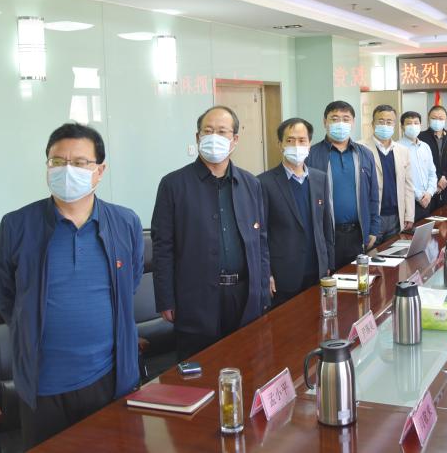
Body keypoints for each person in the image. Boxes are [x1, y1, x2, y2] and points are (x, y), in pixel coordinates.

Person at [0, 123, 144, 448]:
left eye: (80, 162)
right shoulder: (17, 226)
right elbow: (3, 292)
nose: (67, 170)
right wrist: (27, 324)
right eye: (57, 162)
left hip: (109, 378)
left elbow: (128, 285)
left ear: (100, 171)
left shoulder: (125, 223)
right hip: (43, 386)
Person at [152, 106, 270, 360]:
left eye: (222, 131)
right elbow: (163, 246)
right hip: (196, 298)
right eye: (208, 131)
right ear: (197, 137)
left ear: (234, 139)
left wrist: (262, 291)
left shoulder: (251, 184)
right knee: (200, 368)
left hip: (243, 296)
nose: (214, 137)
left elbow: (260, 243)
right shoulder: (173, 184)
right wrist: (165, 299)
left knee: (246, 364)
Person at [258, 118, 334, 306]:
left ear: (309, 144)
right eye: (290, 140)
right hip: (283, 275)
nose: (297, 146)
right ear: (280, 144)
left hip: (317, 270)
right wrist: (266, 273)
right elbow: (260, 235)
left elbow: (326, 225)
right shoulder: (263, 182)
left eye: (302, 140)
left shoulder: (320, 178)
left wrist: (328, 263)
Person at [307, 100, 381, 269]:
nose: (340, 123)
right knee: (329, 280)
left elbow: (374, 195)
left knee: (359, 278)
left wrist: (374, 228)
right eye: (334, 119)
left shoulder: (365, 154)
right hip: (327, 235)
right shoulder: (311, 155)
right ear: (325, 122)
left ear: (353, 122)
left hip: (358, 233)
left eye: (346, 119)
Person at [361, 104, 415, 241]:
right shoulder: (360, 148)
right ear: (373, 124)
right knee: (371, 253)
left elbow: (408, 185)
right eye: (381, 121)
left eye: (389, 122)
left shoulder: (403, 151)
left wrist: (409, 215)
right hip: (372, 216)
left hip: (396, 217)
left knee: (395, 253)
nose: (385, 125)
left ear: (395, 125)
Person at [398, 111, 438, 221]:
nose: (413, 126)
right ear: (402, 126)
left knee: (427, 230)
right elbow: (400, 178)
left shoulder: (425, 147)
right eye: (409, 123)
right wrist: (419, 196)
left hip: (428, 200)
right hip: (409, 202)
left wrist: (429, 193)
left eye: (416, 123)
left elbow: (432, 173)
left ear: (420, 125)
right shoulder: (397, 148)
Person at [418, 105, 447, 200]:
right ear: (428, 119)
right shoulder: (420, 138)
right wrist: (438, 178)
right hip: (427, 190)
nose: (437, 121)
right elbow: (420, 163)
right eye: (434, 118)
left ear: (446, 120)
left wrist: (445, 179)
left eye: (441, 118)